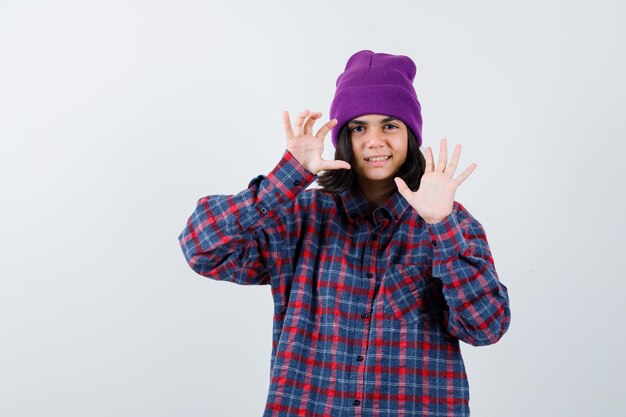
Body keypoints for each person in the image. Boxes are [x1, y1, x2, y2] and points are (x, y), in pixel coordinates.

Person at [178, 50, 511, 417]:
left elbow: (486, 327)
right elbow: (201, 248)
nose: (374, 141)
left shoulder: (453, 223)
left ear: (410, 135)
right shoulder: (299, 217)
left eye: (389, 125)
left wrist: (441, 226)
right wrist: (288, 176)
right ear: (342, 137)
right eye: (358, 127)